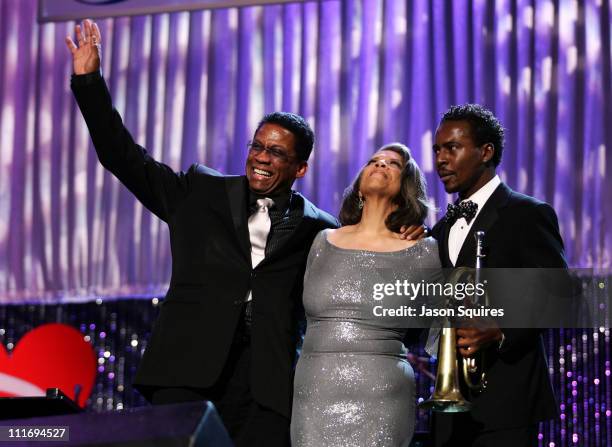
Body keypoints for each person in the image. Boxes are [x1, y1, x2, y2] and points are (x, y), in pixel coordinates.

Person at [64, 19, 424, 446]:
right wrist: (89, 82)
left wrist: (402, 238)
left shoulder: (322, 231)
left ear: (300, 168)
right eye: (257, 146)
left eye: (276, 152)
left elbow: (360, 278)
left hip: (266, 388)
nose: (261, 158)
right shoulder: (199, 192)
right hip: (187, 371)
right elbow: (123, 157)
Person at [430, 104, 567, 447]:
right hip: (451, 408)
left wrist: (501, 327)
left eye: (452, 148)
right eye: (437, 150)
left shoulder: (527, 213)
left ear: (486, 151)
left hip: (506, 401)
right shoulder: (441, 227)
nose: (441, 159)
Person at [291, 143, 441, 446]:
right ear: (359, 186)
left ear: (405, 188)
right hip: (313, 392)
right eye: (374, 160)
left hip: (382, 396)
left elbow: (441, 334)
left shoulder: (424, 250)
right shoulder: (322, 241)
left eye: (393, 164)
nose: (381, 165)